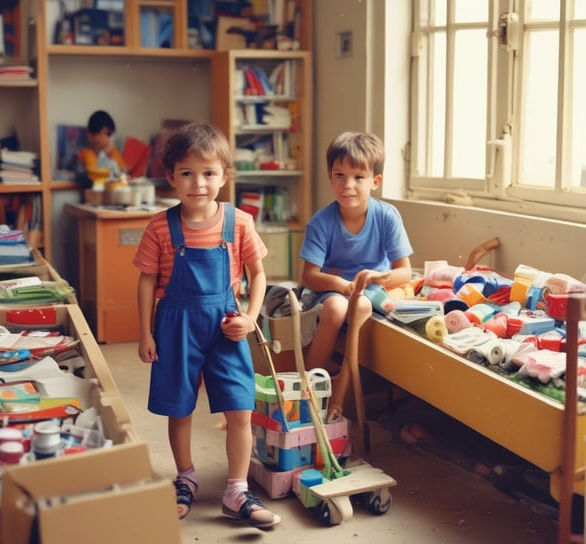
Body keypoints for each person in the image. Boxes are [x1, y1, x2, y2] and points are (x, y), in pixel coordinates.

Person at [132, 121, 281, 529]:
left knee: (240, 408)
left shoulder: (240, 223)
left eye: (209, 173)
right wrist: (145, 332)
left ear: (225, 176)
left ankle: (236, 490)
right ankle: (186, 478)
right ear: (171, 178)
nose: (199, 183)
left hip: (226, 325)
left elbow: (258, 275)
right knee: (178, 408)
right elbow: (146, 281)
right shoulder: (160, 227)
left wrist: (250, 318)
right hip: (174, 326)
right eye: (187, 173)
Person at [300, 131, 413, 414]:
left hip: (372, 289)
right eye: (339, 175)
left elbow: (405, 271)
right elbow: (309, 276)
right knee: (338, 309)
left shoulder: (387, 216)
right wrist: (340, 283)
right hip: (330, 289)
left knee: (362, 305)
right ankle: (309, 384)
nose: (347, 185)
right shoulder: (321, 222)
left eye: (358, 177)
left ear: (375, 181)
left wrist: (378, 277)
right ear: (330, 176)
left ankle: (339, 399)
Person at [77, 110, 127, 189]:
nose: (108, 139)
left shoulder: (112, 151)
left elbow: (122, 172)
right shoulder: (85, 154)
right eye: (106, 134)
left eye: (110, 135)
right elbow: (94, 176)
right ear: (90, 135)